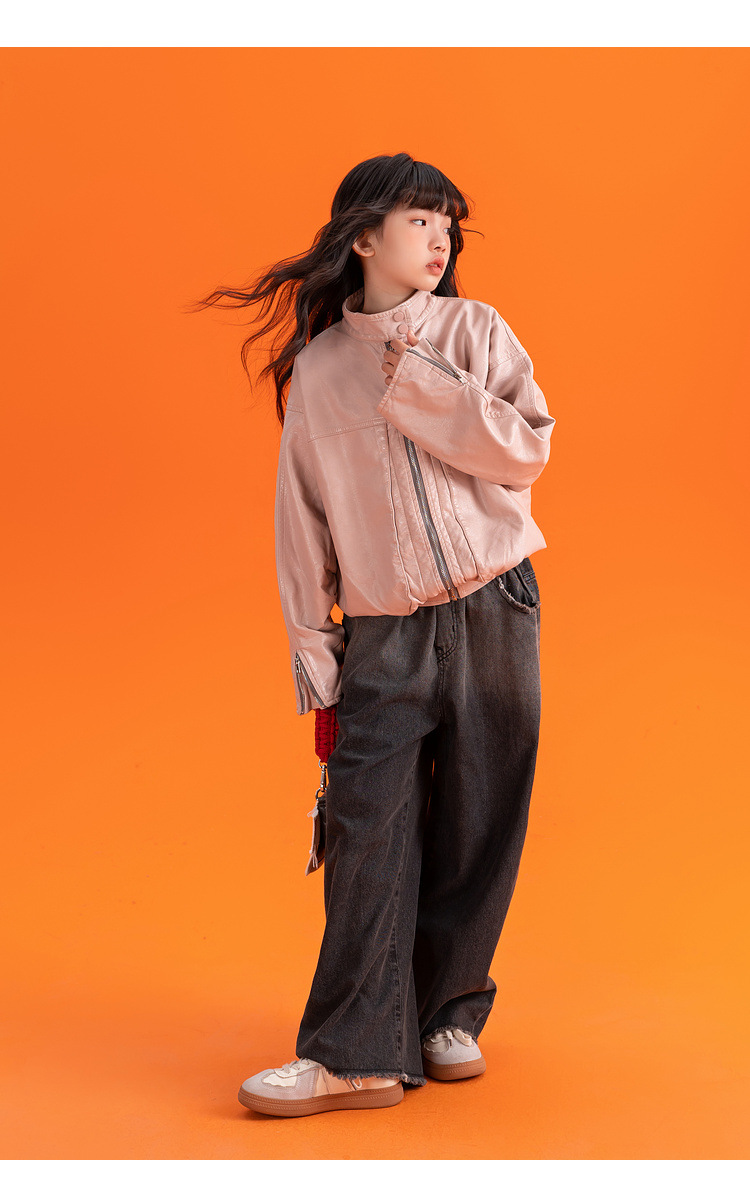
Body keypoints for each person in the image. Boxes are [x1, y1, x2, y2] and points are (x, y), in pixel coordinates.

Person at [194, 152, 555, 1118]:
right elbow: (300, 516)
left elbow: (525, 452)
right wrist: (312, 644)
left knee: (481, 815)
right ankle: (356, 1052)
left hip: (496, 604)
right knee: (365, 828)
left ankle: (445, 1014)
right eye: (420, 220)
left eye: (448, 224)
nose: (440, 239)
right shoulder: (319, 371)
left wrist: (422, 378)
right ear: (362, 237)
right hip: (383, 631)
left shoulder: (475, 332)